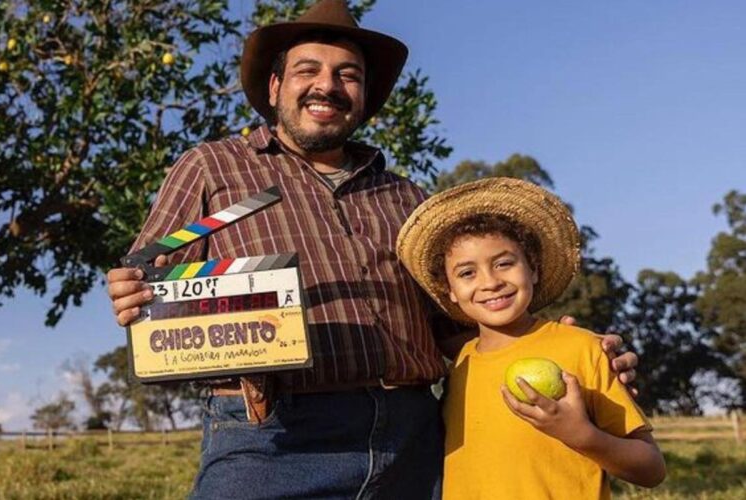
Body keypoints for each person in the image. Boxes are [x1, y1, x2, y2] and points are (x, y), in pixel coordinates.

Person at [106, 0, 639, 498]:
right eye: (307, 70)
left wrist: (558, 351)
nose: (327, 86)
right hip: (273, 439)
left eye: (348, 75)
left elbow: (459, 329)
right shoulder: (214, 168)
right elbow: (149, 286)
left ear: (364, 96)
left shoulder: (410, 201)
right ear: (274, 87)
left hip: (415, 438)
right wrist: (133, 295)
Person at [396, 177, 666, 499]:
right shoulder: (461, 364)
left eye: (504, 263)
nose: (491, 282)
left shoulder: (581, 348)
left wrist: (581, 435)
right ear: (450, 292)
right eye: (467, 272)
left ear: (533, 269)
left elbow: (651, 468)